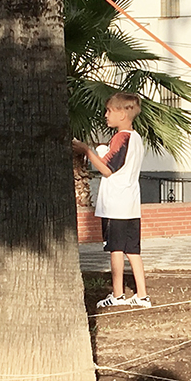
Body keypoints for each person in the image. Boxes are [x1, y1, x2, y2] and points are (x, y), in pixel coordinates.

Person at [72, 92, 149, 310]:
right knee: (132, 250)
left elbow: (107, 169)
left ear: (123, 114)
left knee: (115, 249)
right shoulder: (136, 138)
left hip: (116, 205)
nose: (105, 115)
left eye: (109, 111)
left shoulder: (121, 137)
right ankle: (142, 295)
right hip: (131, 203)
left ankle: (117, 294)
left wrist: (86, 150)